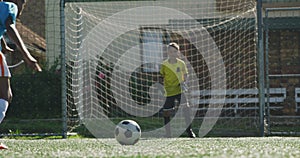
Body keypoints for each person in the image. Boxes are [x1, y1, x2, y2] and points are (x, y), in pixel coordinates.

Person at [0, 0, 42, 149]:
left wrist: (3, 45)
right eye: (23, 1)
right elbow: (10, 27)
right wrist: (27, 55)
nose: (23, 5)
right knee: (5, 94)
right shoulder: (9, 7)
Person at [159, 42, 195, 138]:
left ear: (178, 52)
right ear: (168, 52)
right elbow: (161, 76)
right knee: (166, 112)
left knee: (186, 108)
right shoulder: (164, 64)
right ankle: (168, 133)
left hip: (180, 90)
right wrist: (161, 86)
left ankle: (189, 131)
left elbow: (186, 74)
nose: (173, 53)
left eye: (175, 51)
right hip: (169, 92)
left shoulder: (181, 63)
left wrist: (184, 82)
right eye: (171, 51)